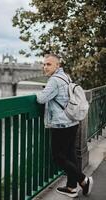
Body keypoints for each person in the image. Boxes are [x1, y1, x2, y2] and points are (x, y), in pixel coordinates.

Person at [36, 54, 93, 198]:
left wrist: (37, 93)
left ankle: (83, 180)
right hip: (72, 121)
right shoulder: (65, 77)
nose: (45, 67)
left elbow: (42, 99)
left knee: (58, 157)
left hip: (61, 124)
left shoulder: (54, 80)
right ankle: (71, 187)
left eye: (49, 64)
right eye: (44, 64)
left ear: (57, 66)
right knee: (70, 154)